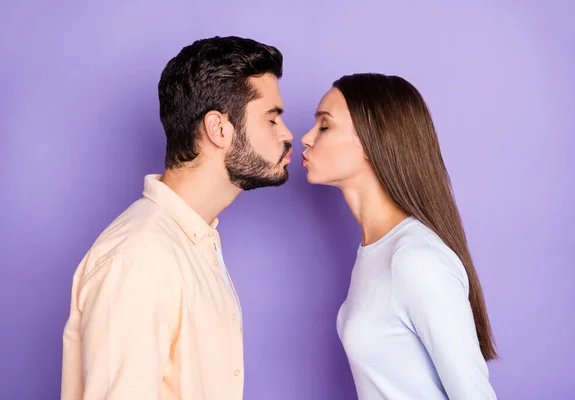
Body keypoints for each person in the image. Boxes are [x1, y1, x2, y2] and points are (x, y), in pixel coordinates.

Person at [61, 36, 293, 400]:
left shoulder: (193, 241)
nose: (287, 134)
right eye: (272, 118)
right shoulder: (138, 258)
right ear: (219, 129)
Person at [301, 73, 497, 399]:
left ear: (371, 139)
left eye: (324, 126)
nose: (306, 138)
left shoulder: (414, 260)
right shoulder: (377, 250)